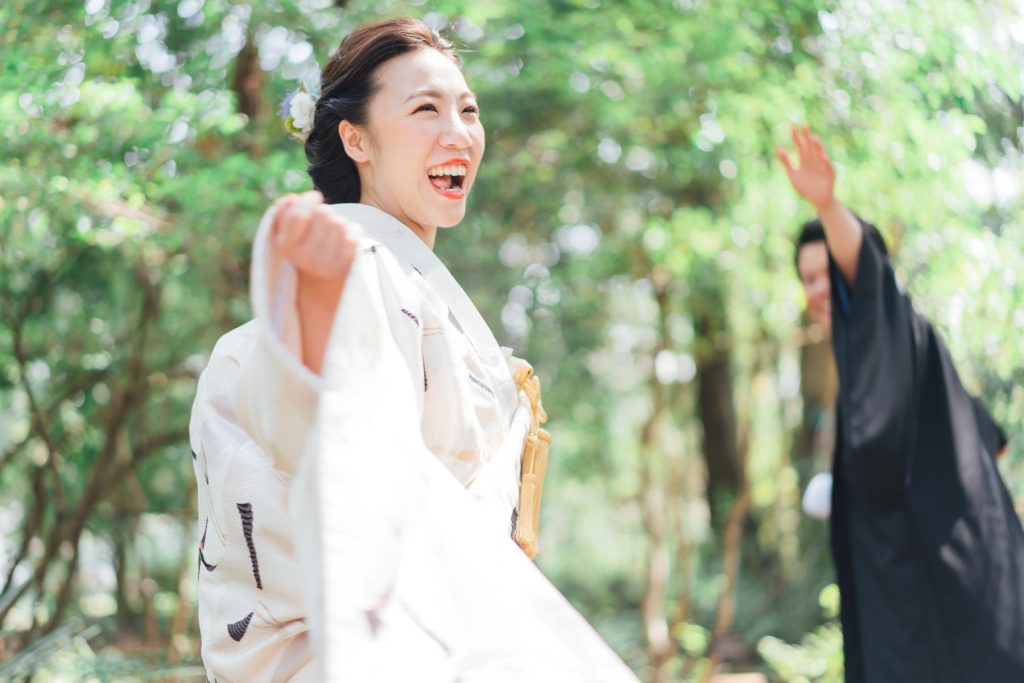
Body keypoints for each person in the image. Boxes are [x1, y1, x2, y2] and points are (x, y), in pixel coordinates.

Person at [189, 17, 638, 682]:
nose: (457, 131)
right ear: (356, 139)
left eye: (468, 109)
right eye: (425, 108)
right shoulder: (368, 270)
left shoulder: (392, 280)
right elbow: (363, 480)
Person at [779, 125, 1024, 681]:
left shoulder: (899, 331)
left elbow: (867, 284)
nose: (816, 290)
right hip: (933, 594)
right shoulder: (905, 365)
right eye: (806, 279)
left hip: (942, 600)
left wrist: (825, 202)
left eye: (827, 275)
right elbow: (992, 445)